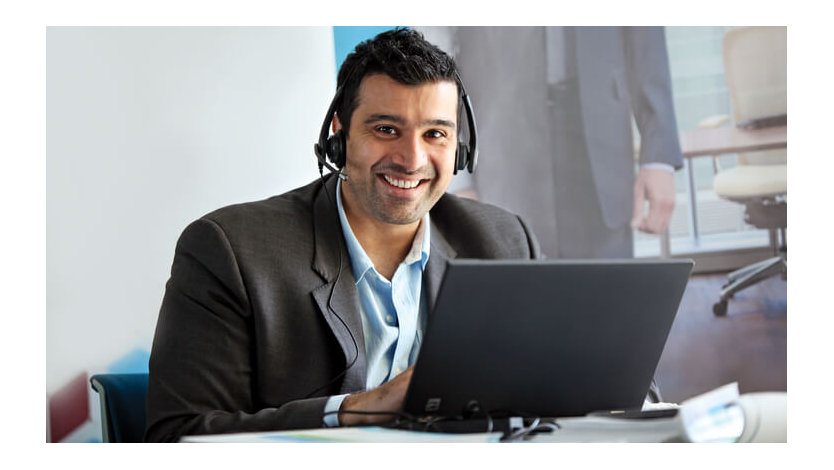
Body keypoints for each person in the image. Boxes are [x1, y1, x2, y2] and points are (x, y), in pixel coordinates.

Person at [144, 28, 541, 442]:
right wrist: (351, 410)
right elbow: (177, 435)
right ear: (340, 134)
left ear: (460, 148)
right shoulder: (230, 251)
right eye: (386, 129)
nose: (411, 159)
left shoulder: (505, 241)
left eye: (435, 134)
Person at [455, 27, 682, 258]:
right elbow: (439, 40)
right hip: (501, 141)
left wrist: (658, 159)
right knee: (514, 284)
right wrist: (457, 173)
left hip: (602, 140)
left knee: (606, 287)